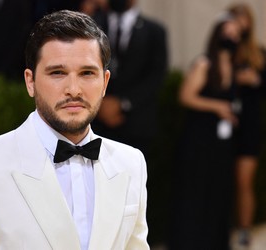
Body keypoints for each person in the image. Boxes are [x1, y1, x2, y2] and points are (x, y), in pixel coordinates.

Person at [0, 10, 149, 250]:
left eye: (87, 73)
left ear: (104, 82)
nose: (74, 89)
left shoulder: (131, 163)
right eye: (58, 73)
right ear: (30, 82)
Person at [169, 14, 241, 250]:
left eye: (235, 34)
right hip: (198, 140)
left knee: (218, 192)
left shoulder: (233, 66)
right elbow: (185, 96)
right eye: (227, 33)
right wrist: (217, 107)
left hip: (221, 144)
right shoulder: (204, 63)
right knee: (195, 192)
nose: (231, 37)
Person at [92, 0, 168, 159]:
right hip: (94, 125)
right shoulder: (91, 26)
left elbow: (156, 76)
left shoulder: (155, 31)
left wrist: (122, 103)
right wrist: (99, 105)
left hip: (137, 126)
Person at [228, 3, 265, 248]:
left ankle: (244, 228)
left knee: (244, 181)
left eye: (244, 19)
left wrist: (255, 80)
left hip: (250, 126)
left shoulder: (259, 52)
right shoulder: (223, 50)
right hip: (223, 125)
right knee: (220, 179)